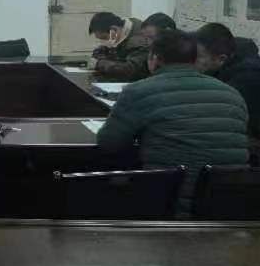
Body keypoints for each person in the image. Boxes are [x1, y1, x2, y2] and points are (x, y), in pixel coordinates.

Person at [97, 30, 248, 216]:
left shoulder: (139, 91)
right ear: (194, 59)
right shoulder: (232, 94)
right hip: (228, 206)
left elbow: (109, 143)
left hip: (168, 204)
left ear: (154, 58)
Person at [196, 23, 260, 139]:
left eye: (199, 56)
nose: (193, 61)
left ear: (221, 59)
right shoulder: (221, 68)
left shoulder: (248, 79)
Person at [87, 12, 151, 81]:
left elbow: (130, 69)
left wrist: (99, 63)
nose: (103, 42)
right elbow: (99, 53)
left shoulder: (139, 40)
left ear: (114, 29)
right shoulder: (120, 32)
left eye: (104, 38)